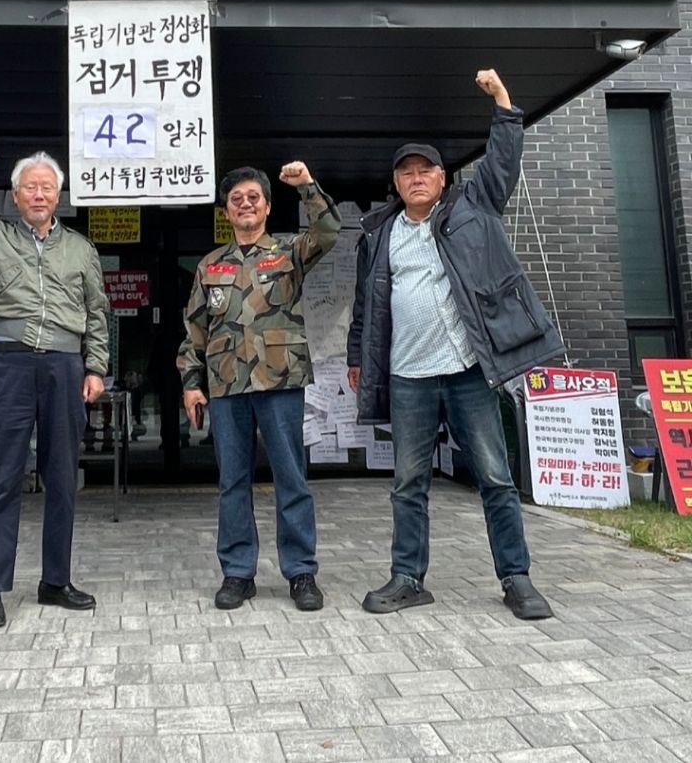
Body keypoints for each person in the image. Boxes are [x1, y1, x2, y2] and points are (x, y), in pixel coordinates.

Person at [348, 69, 564, 621]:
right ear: (395, 183)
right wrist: (355, 357)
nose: (416, 178)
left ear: (443, 179)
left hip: (469, 370)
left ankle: (516, 578)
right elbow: (365, 307)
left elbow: (502, 163)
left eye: (426, 170)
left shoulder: (474, 207)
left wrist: (503, 102)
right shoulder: (378, 235)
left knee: (494, 476)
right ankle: (407, 578)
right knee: (407, 483)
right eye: (407, 172)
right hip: (408, 375)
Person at [0, 144, 109, 627]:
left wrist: (96, 367)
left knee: (62, 476)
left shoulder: (80, 248)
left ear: (58, 195)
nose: (38, 194)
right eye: (29, 187)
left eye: (47, 187)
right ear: (15, 195)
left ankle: (56, 580)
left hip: (65, 366)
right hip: (8, 363)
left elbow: (97, 311)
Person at [178, 161, 340, 611]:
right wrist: (191, 383)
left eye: (254, 197)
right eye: (236, 199)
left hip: (280, 380)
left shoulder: (289, 251)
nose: (245, 204)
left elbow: (329, 232)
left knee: (291, 478)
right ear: (227, 211)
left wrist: (308, 186)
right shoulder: (210, 266)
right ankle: (237, 572)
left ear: (267, 206)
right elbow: (194, 331)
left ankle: (301, 571)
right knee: (232, 483)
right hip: (227, 385)